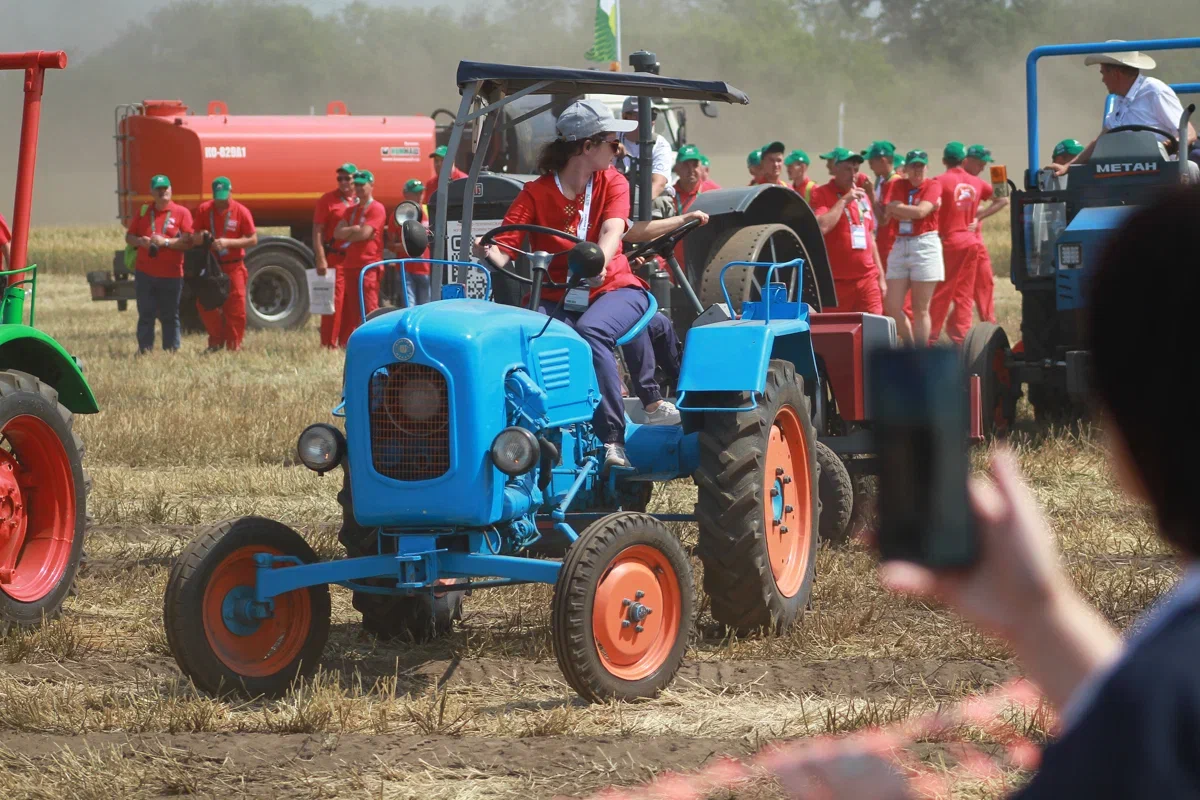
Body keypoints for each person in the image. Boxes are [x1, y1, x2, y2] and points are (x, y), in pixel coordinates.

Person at [779, 186, 1200, 800]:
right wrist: (1041, 614)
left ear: (1126, 430)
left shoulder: (1163, 703)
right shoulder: (1163, 694)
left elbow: (1150, 736)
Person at [474, 99, 676, 470]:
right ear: (587, 146)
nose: (618, 150)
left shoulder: (612, 181)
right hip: (558, 295)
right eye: (614, 143)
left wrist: (597, 261)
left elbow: (614, 229)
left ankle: (612, 439)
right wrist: (488, 252)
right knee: (530, 338)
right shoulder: (536, 192)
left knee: (591, 331)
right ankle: (532, 438)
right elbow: (506, 247)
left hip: (615, 288)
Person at [1047, 42, 1197, 177]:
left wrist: (1166, 148)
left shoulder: (1154, 91)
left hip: (1160, 174)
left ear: (1115, 74)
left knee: (1190, 169)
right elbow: (1101, 140)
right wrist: (1068, 167)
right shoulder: (1119, 99)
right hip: (1124, 176)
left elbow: (1188, 132)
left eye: (1103, 73)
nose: (1103, 79)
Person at [811, 148, 886, 315]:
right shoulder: (821, 193)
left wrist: (881, 276)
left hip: (867, 279)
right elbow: (822, 226)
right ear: (835, 169)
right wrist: (844, 200)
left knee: (875, 329)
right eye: (847, 169)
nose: (853, 174)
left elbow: (870, 238)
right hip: (837, 283)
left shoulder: (862, 197)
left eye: (856, 170)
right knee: (837, 333)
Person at [124, 174, 194, 355]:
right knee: (145, 314)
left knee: (170, 315)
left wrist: (167, 243)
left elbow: (189, 242)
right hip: (145, 273)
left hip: (171, 274)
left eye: (165, 188)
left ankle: (171, 350)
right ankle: (144, 350)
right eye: (158, 189)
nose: (162, 192)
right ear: (152, 192)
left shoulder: (182, 213)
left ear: (171, 190)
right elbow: (128, 237)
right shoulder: (144, 211)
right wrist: (140, 241)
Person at [927, 142, 986, 345]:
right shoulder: (975, 182)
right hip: (971, 241)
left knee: (942, 291)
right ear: (963, 160)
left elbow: (931, 205)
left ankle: (931, 336)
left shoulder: (939, 181)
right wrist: (978, 217)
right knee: (964, 292)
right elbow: (1001, 196)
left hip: (950, 241)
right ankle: (961, 337)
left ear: (944, 161)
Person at [882, 150, 942, 347]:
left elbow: (921, 211)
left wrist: (900, 209)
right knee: (892, 305)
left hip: (925, 243)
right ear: (905, 169)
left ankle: (921, 353)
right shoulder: (898, 184)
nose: (917, 170)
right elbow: (890, 209)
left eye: (920, 166)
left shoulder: (933, 185)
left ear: (926, 167)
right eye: (913, 166)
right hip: (901, 243)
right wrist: (909, 211)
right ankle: (909, 345)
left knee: (920, 308)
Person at [191, 177, 257, 353]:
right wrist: (203, 236)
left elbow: (252, 239)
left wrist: (228, 243)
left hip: (234, 266)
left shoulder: (241, 211)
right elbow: (194, 236)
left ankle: (234, 345)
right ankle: (215, 342)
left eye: (224, 196)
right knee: (206, 304)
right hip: (212, 265)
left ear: (231, 192)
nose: (221, 201)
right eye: (217, 197)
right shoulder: (205, 209)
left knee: (236, 307)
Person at [333, 170, 386, 347]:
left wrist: (354, 231)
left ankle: (374, 343)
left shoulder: (377, 208)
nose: (359, 188)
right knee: (354, 309)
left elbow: (365, 233)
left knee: (370, 307)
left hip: (369, 265)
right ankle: (359, 343)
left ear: (371, 185)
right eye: (356, 184)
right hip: (351, 264)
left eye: (362, 184)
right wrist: (354, 230)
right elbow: (337, 233)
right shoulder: (351, 210)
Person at [962, 144, 1009, 325]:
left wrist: (979, 214)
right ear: (968, 161)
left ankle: (988, 325)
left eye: (984, 164)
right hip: (961, 241)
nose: (983, 168)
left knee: (984, 284)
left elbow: (1003, 199)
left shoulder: (978, 183)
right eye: (980, 163)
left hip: (976, 241)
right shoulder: (959, 180)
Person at [313, 162, 359, 349]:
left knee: (352, 303)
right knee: (334, 303)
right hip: (336, 258)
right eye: (339, 178)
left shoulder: (360, 200)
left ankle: (346, 341)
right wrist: (320, 257)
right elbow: (317, 230)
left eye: (347, 178)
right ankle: (328, 343)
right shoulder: (328, 200)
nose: (343, 182)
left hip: (354, 258)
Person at [618, 97, 674, 216]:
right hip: (617, 198)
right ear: (625, 117)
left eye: (653, 116)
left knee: (660, 203)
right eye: (645, 115)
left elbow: (658, 184)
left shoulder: (660, 144)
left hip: (650, 202)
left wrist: (636, 209)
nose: (651, 121)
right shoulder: (612, 140)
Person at [387, 178, 432, 307]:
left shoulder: (427, 210)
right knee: (410, 307)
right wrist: (409, 246)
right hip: (405, 269)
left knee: (426, 307)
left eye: (421, 192)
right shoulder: (398, 215)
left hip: (426, 268)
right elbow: (390, 244)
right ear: (406, 194)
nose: (420, 196)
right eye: (416, 193)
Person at [866, 141, 903, 271]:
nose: (870, 167)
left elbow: (883, 220)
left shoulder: (894, 183)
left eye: (871, 162)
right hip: (886, 242)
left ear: (882, 160)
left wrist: (870, 193)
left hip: (890, 244)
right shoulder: (885, 182)